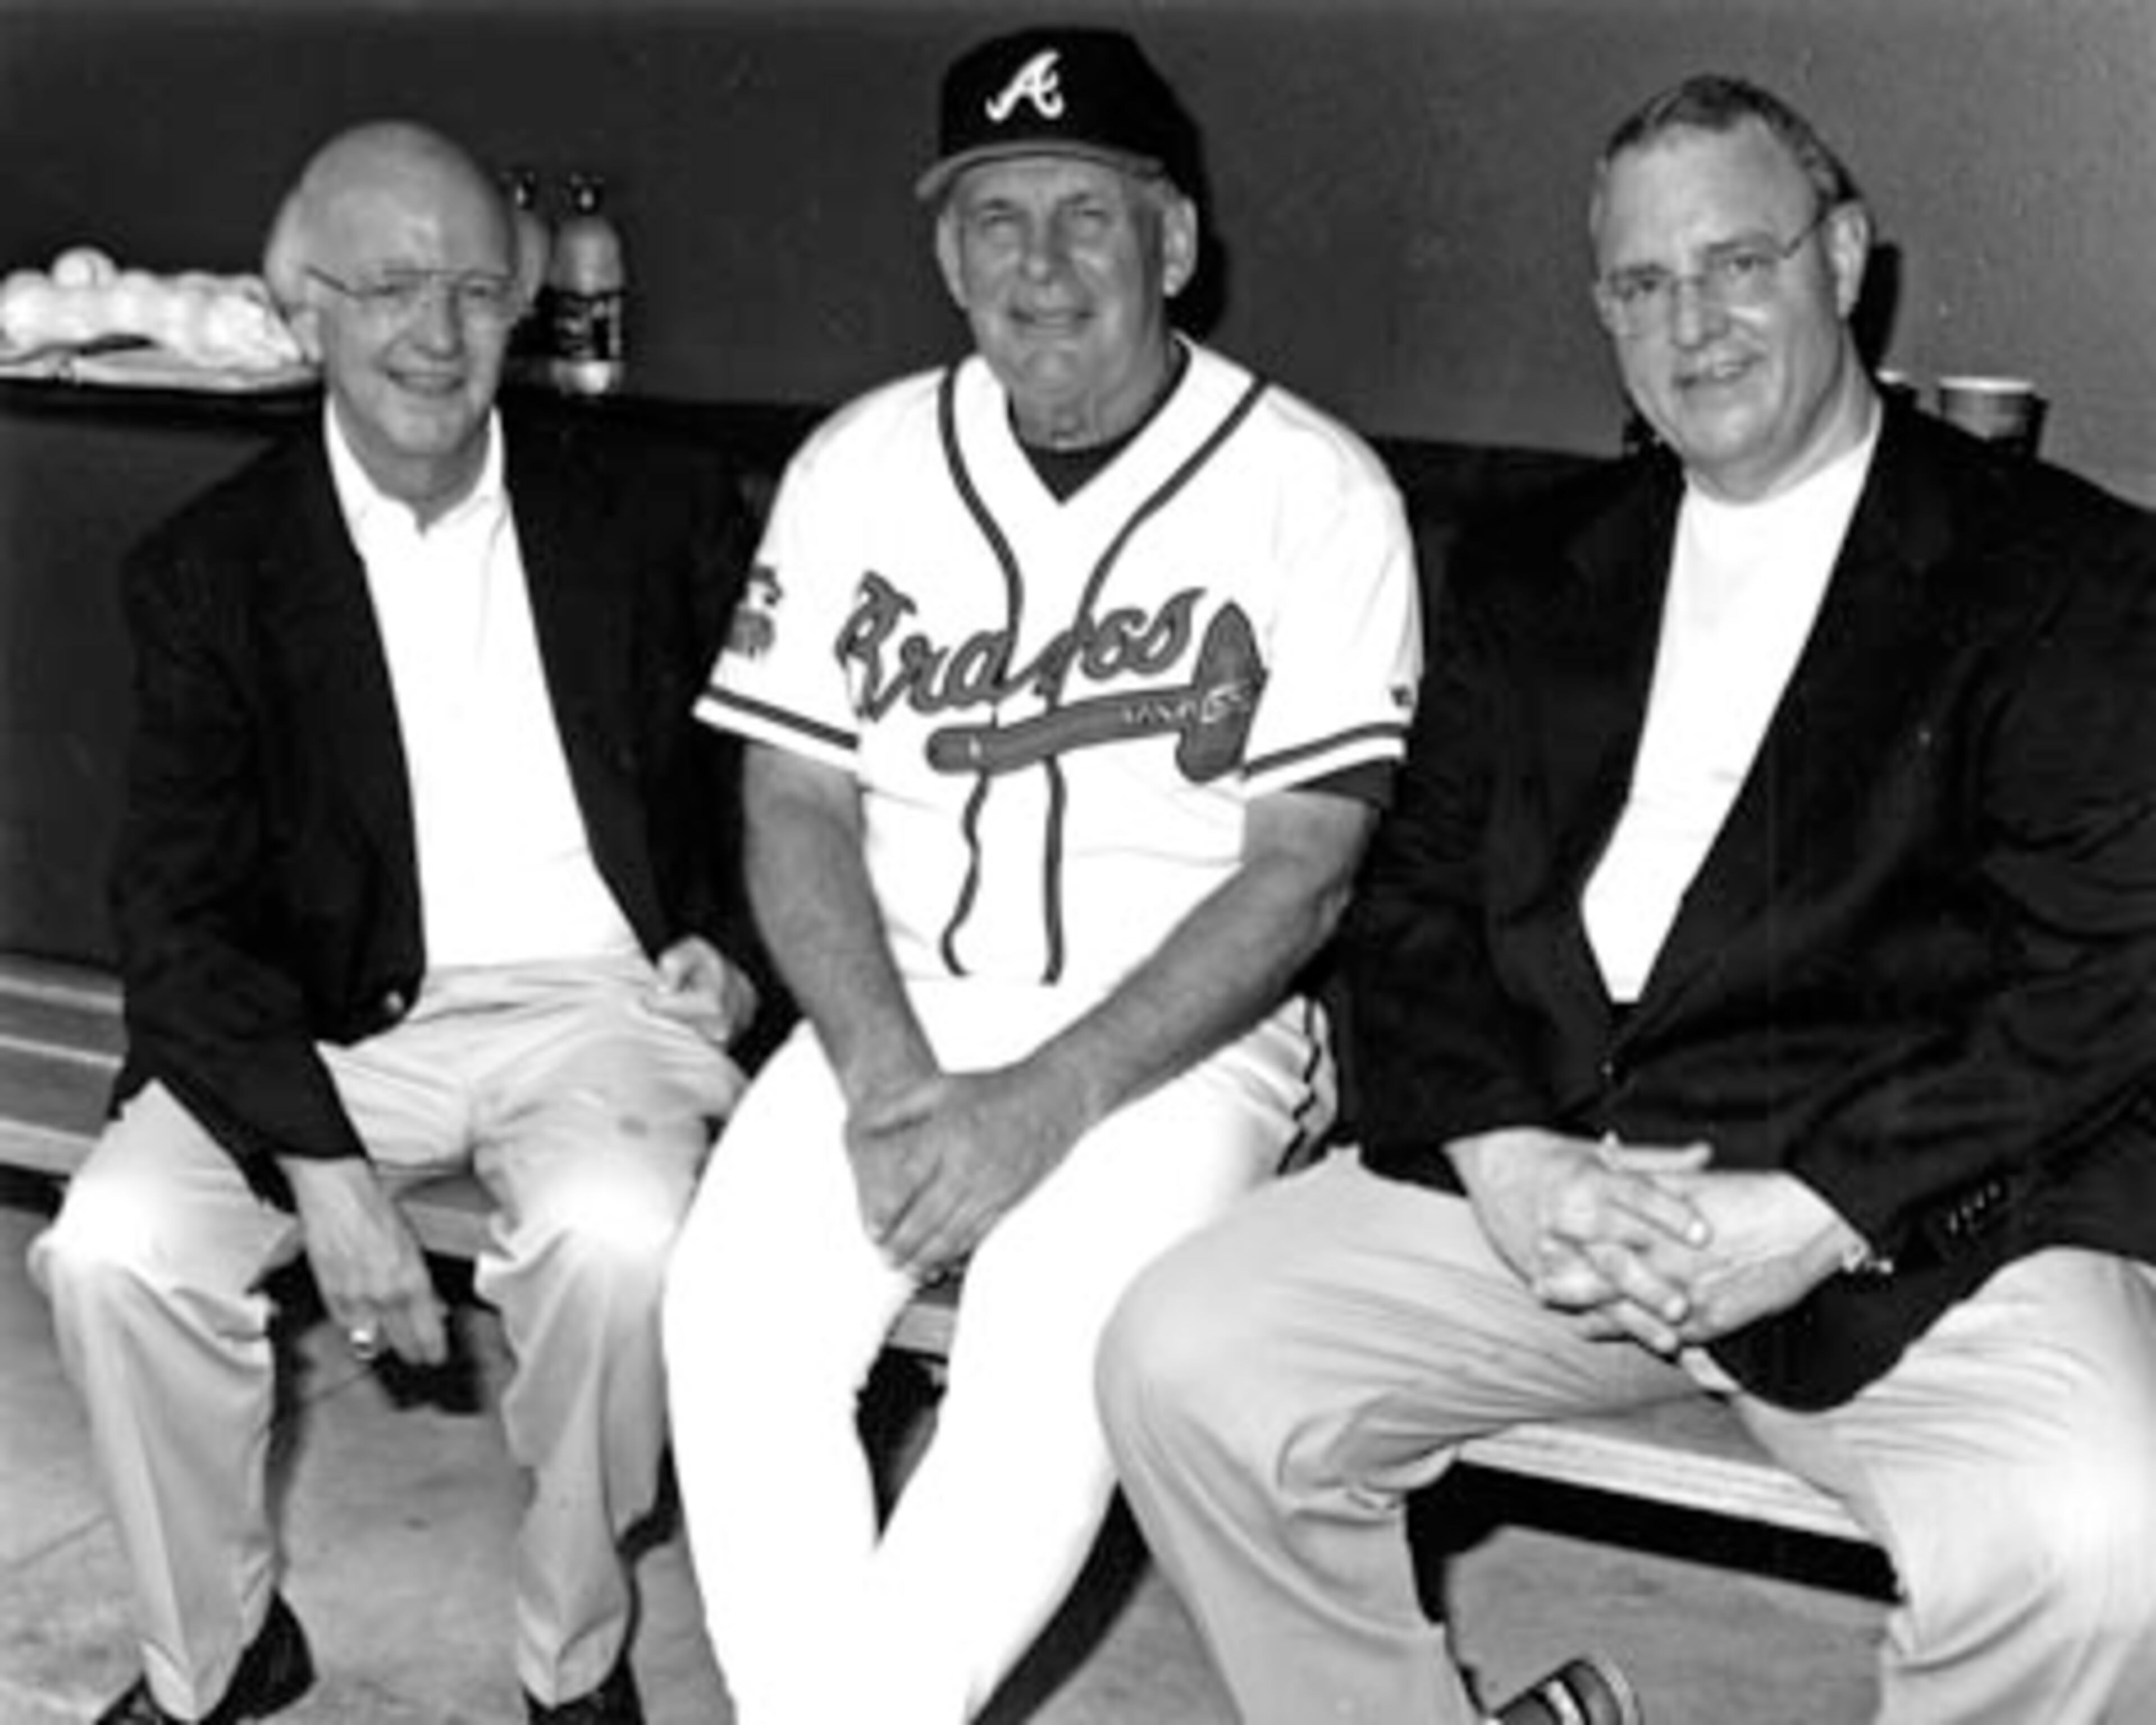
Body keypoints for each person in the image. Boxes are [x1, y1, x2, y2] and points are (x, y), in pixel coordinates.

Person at [1100, 71, 2156, 1725]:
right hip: (1566, 1190)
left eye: (1740, 262)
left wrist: (1811, 1209)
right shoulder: (1536, 569)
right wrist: (1508, 1162)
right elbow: (1416, 906)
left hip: (1914, 1226)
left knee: (2098, 1547)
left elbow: (2108, 974)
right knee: (1184, 1358)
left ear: (1845, 259)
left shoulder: (2063, 572)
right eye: (1644, 285)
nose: (1698, 322)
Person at [659, 25, 1421, 1724]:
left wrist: (1045, 1101)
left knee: (1046, 1370)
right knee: (727, 1325)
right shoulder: (860, 463)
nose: (1043, 265)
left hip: (1179, 1043)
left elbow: (1300, 880)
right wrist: (882, 1070)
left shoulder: (1316, 492)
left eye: (1089, 213)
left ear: (1174, 240)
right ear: (947, 255)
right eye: (997, 220)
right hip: (892, 1010)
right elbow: (791, 802)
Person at [31, 120, 765, 1725]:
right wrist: (321, 1168)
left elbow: (766, 776)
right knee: (116, 1255)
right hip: (322, 1029)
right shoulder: (214, 568)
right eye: (387, 289)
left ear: (523, 311)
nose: (435, 336)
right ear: (304, 315)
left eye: (475, 291)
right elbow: (173, 905)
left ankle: (574, 1654)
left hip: (600, 1010)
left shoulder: (653, 512)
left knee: (621, 1248)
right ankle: (212, 1655)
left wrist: (738, 942)